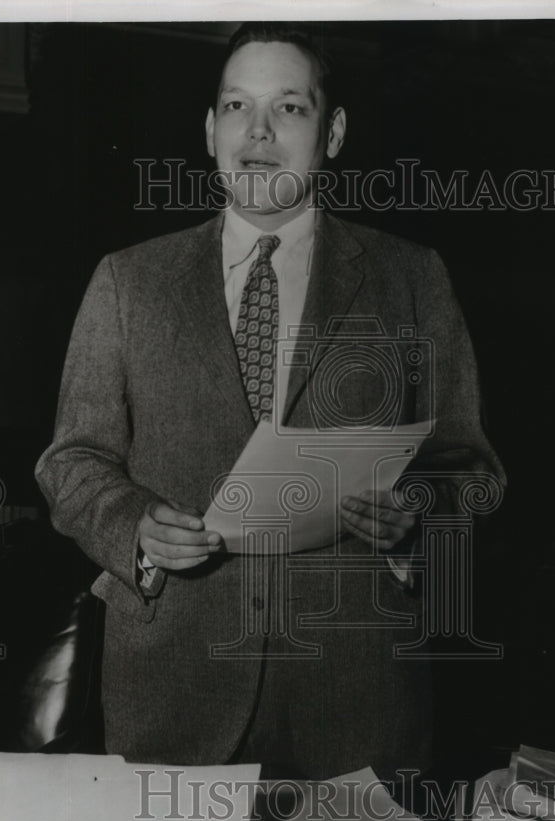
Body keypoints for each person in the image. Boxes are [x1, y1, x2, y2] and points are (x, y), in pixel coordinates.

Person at [35, 23, 504, 780]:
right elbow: (73, 461)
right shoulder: (128, 281)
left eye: (288, 107)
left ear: (334, 132)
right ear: (209, 129)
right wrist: (135, 530)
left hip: (356, 698)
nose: (257, 131)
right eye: (235, 106)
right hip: (169, 692)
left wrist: (416, 514)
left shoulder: (410, 277)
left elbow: (470, 467)